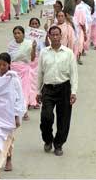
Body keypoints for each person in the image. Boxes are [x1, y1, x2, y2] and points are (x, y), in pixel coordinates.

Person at [36, 26, 78, 156]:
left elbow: (74, 74)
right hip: (48, 88)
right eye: (52, 35)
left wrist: (73, 91)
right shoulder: (44, 52)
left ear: (61, 36)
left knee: (63, 119)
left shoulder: (68, 53)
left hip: (64, 88)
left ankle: (58, 144)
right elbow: (40, 73)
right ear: (48, 36)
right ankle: (48, 140)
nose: (55, 37)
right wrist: (38, 91)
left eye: (57, 35)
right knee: (46, 117)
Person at [0, 52, 26, 179]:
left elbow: (19, 98)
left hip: (10, 114)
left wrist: (17, 116)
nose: (2, 67)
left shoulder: (14, 78)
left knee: (8, 140)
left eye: (4, 65)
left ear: (9, 64)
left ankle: (9, 157)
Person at [7, 26, 36, 121]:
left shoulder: (29, 44)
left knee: (24, 91)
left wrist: (34, 48)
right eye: (15, 33)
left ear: (23, 34)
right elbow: (9, 58)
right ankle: (15, 112)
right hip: (14, 70)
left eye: (19, 33)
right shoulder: (11, 45)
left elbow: (31, 59)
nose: (17, 35)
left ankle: (24, 112)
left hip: (25, 70)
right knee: (15, 91)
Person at [28, 18, 46, 109]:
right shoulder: (27, 36)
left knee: (37, 82)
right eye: (32, 24)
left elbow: (46, 45)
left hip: (39, 61)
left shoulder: (41, 35)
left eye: (36, 24)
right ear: (29, 25)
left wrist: (46, 32)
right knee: (29, 81)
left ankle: (35, 101)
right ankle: (30, 101)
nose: (34, 25)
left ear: (39, 25)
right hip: (29, 61)